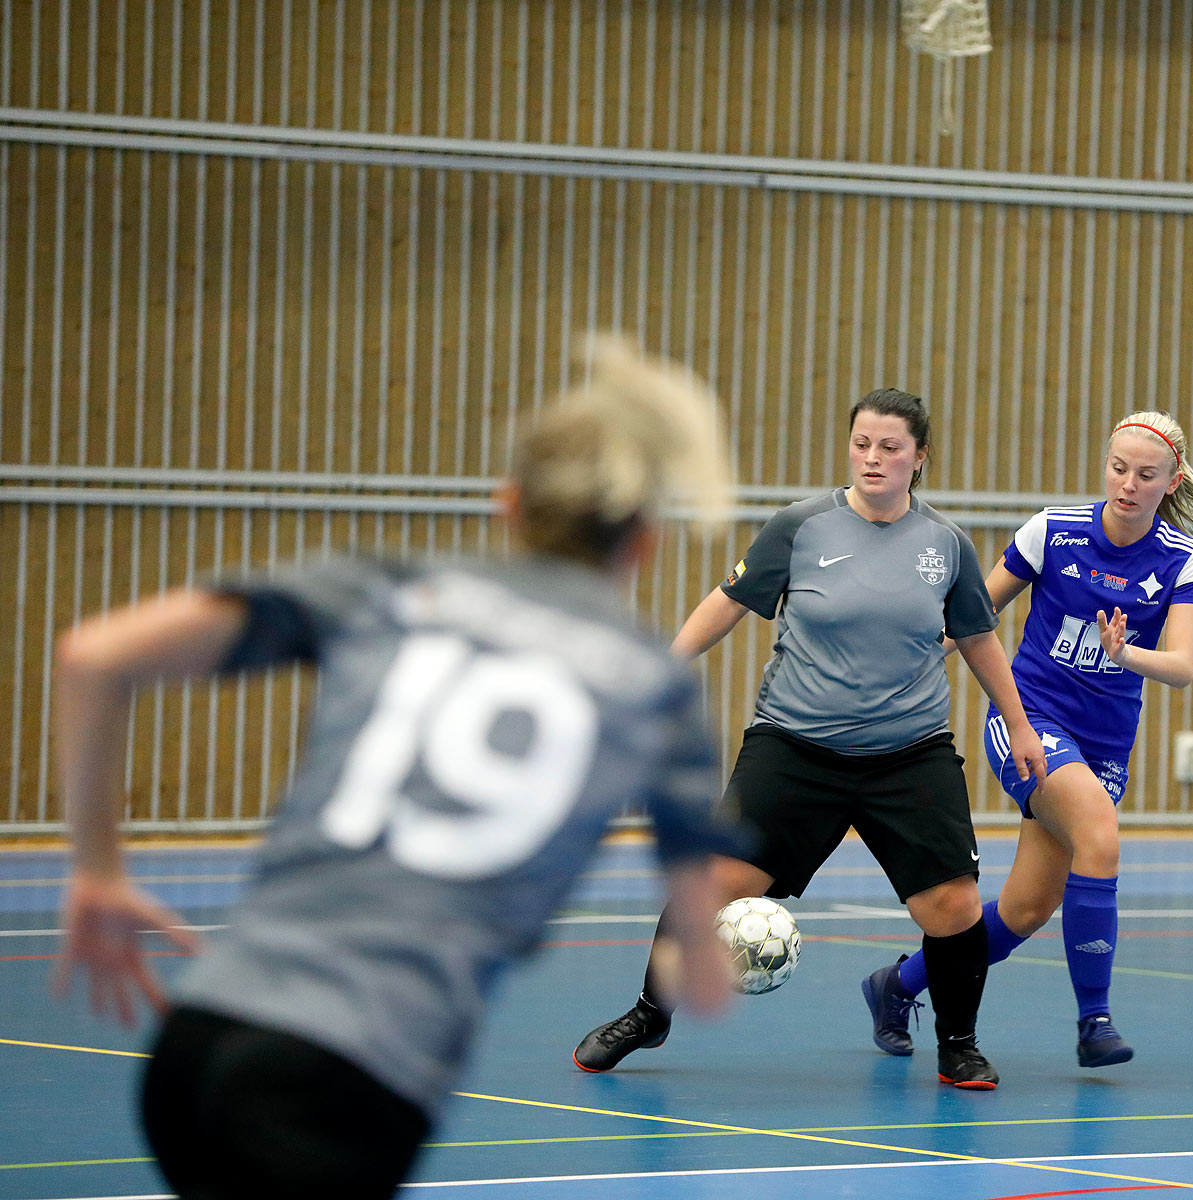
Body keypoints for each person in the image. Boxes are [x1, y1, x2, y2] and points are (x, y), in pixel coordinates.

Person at [51, 335, 740, 1200]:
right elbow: (703, 984)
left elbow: (91, 656)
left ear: (509, 503)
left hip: (198, 1037)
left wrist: (97, 871)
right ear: (644, 541)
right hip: (351, 1079)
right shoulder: (652, 689)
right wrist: (732, 950)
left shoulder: (385, 590)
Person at [571, 387, 1047, 1090]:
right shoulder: (801, 526)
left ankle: (958, 1042)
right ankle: (650, 1013)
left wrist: (1019, 722)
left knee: (952, 904)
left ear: (920, 458)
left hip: (909, 752)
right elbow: (728, 603)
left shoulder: (944, 545)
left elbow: (977, 637)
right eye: (862, 443)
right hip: (795, 746)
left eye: (890, 446)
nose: (873, 457)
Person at [861, 410, 1193, 1069]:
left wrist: (1127, 654)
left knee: (1026, 907)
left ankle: (896, 984)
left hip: (1104, 745)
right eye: (1118, 468)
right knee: (1100, 836)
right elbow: (971, 616)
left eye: (1145, 475)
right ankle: (1095, 1022)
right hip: (1029, 721)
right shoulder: (1053, 533)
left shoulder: (1182, 559)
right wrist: (898, 672)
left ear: (1171, 482)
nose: (1128, 484)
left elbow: (1185, 666)